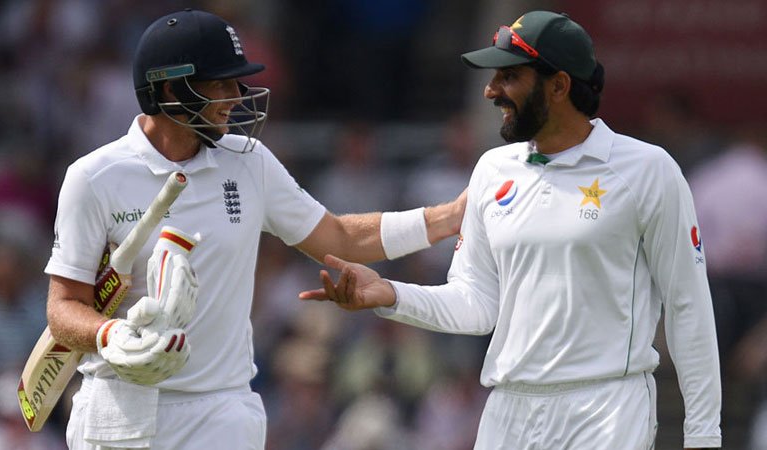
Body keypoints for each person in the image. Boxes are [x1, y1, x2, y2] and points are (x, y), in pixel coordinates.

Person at [44, 9, 465, 450]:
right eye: (220, 83)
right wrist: (109, 335)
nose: (236, 96)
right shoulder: (94, 178)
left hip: (220, 410)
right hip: (123, 408)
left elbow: (340, 237)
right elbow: (63, 308)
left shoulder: (250, 161)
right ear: (170, 88)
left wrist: (445, 219)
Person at [300, 10, 721, 450]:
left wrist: (703, 436)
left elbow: (688, 305)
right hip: (508, 411)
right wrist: (391, 294)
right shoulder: (493, 170)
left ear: (559, 85)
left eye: (509, 77)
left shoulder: (647, 170)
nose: (490, 90)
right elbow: (477, 304)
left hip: (605, 408)